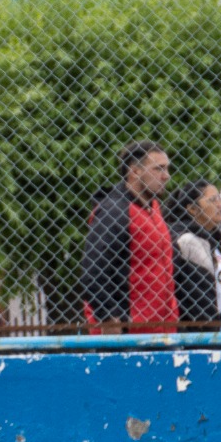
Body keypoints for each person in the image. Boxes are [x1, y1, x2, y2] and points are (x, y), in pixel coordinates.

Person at [80, 141, 179, 333]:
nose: (166, 176)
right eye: (158, 169)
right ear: (134, 172)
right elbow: (92, 271)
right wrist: (109, 318)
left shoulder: (154, 207)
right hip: (129, 334)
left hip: (162, 330)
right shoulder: (114, 212)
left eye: (167, 169)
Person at [164, 180, 221, 328]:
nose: (219, 205)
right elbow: (198, 303)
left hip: (220, 330)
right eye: (212, 200)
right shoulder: (186, 241)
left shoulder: (216, 242)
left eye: (219, 199)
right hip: (198, 334)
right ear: (192, 209)